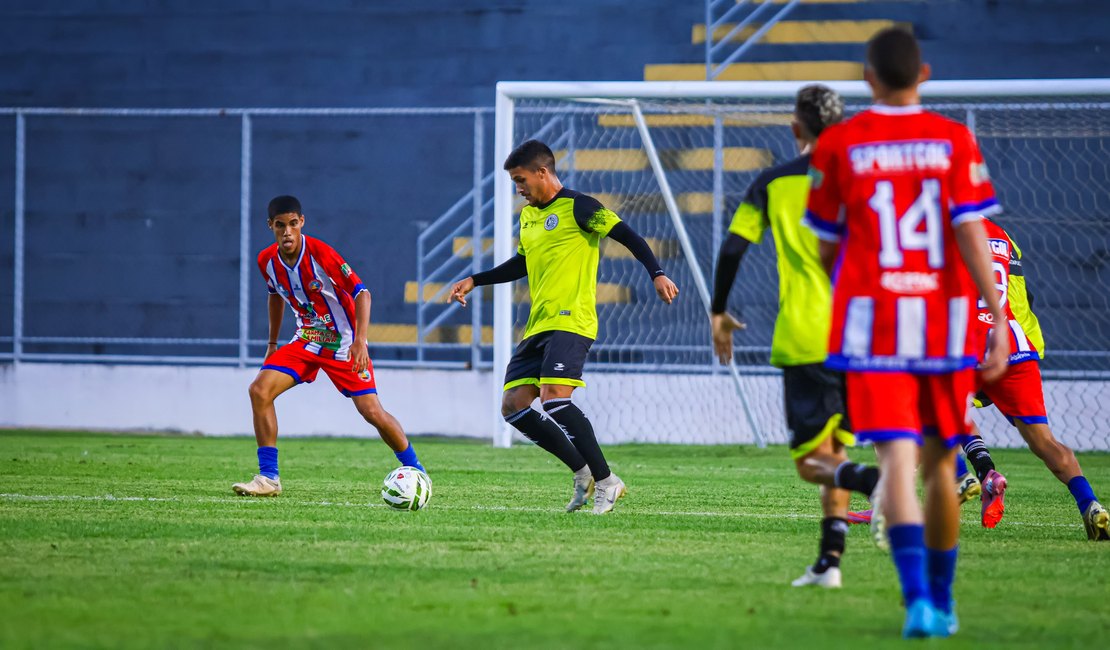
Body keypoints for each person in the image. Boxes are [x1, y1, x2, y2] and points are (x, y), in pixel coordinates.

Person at [804, 28, 1010, 638]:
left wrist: (862, 284)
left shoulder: (840, 143)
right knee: (942, 464)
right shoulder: (953, 140)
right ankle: (941, 603)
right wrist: (997, 318)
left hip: (874, 327)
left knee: (896, 459)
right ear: (923, 73)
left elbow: (824, 248)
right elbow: (973, 232)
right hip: (945, 326)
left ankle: (917, 598)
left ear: (867, 78)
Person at [710, 84, 882, 590]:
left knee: (813, 464)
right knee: (836, 452)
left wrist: (718, 311)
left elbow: (733, 250)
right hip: (861, 336)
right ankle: (829, 562)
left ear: (795, 129)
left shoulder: (773, 182)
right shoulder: (863, 180)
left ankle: (876, 484)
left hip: (806, 334)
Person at [448, 140, 678, 514]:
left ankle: (607, 481)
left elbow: (629, 236)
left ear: (543, 172)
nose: (518, 188)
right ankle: (583, 472)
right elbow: (521, 264)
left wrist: (657, 273)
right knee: (513, 405)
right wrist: (475, 279)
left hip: (573, 320)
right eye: (514, 182)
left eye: (521, 179)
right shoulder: (527, 217)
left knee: (555, 396)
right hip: (539, 324)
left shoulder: (580, 207)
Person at [232, 195, 425, 496]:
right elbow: (274, 295)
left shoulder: (320, 253)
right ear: (270, 225)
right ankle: (269, 478)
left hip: (343, 344)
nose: (287, 232)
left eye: (293, 224)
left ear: (302, 222)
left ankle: (417, 471)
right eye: (280, 225)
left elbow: (363, 293)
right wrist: (272, 343)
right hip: (307, 340)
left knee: (371, 411)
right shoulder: (266, 261)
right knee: (259, 391)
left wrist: (360, 341)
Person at [955, 217, 1107, 538]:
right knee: (1044, 441)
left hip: (964, 339)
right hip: (1011, 341)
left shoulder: (938, 229)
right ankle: (1090, 504)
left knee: (934, 408)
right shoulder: (1002, 235)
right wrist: (1029, 344)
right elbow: (1019, 296)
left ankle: (974, 474)